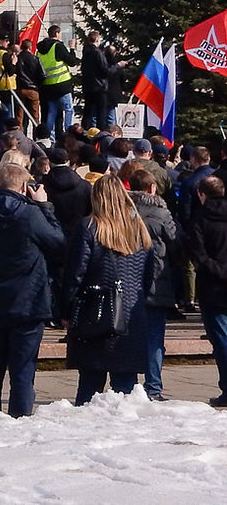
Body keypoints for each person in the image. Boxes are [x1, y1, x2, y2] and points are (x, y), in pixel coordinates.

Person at [0, 161, 64, 417]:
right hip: (26, 302)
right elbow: (57, 241)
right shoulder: (30, 214)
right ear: (25, 186)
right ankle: (20, 420)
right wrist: (45, 205)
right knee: (22, 371)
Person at [66, 174, 158, 404]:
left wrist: (66, 310)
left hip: (95, 310)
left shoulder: (90, 227)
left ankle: (86, 433)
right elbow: (149, 274)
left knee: (89, 385)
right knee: (126, 386)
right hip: (131, 314)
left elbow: (76, 273)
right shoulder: (139, 229)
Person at [125, 166, 176, 400]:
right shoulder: (161, 212)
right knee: (155, 337)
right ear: (152, 187)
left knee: (129, 334)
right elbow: (175, 239)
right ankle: (153, 386)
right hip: (157, 279)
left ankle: (128, 385)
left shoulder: (125, 210)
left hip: (129, 279)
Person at [187, 176, 227, 408]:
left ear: (202, 194)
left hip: (212, 286)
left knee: (221, 340)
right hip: (216, 282)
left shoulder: (199, 219)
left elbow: (198, 254)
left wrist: (216, 269)